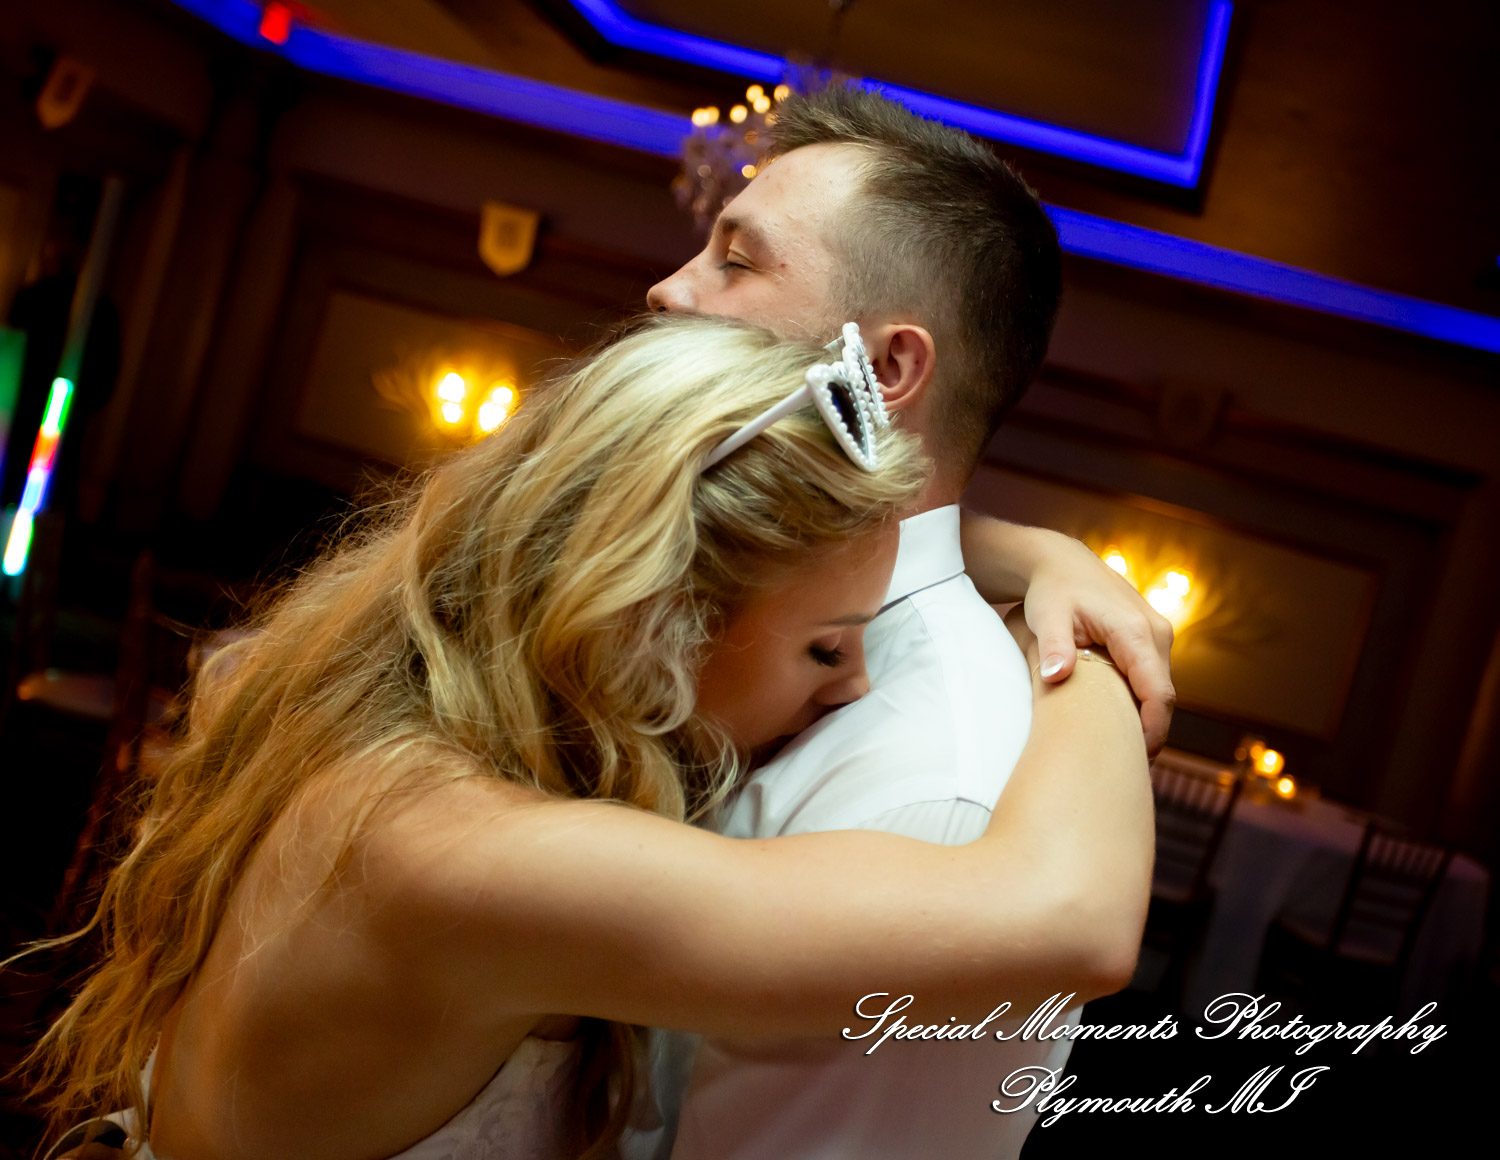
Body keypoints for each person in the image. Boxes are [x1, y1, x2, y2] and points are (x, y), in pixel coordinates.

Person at [24, 314, 1150, 1160]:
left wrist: (1011, 550)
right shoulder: (476, 858)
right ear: (659, 622)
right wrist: (1091, 641)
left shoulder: (394, 730)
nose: (855, 682)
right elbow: (1071, 917)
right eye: (823, 646)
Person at [634, 84, 1174, 1158]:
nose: (666, 291)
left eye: (738, 261)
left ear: (883, 372)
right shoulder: (681, 592)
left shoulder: (933, 786)